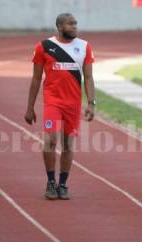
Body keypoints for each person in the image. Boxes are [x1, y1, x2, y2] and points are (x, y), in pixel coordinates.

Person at [24, 13, 96, 200]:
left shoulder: (84, 47)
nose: (74, 26)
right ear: (59, 26)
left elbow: (88, 77)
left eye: (75, 23)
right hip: (52, 102)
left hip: (73, 104)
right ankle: (50, 182)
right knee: (51, 141)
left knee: (68, 144)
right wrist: (30, 107)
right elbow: (36, 78)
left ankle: (63, 184)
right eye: (70, 24)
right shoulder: (44, 47)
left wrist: (91, 103)